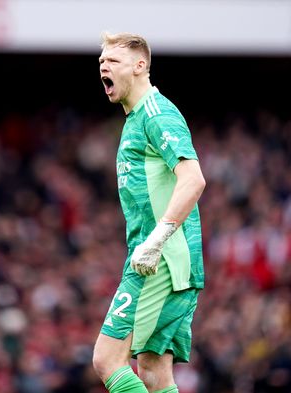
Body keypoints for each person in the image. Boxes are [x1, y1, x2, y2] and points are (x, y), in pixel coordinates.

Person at [93, 32, 206, 393]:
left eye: (112, 61)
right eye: (100, 62)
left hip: (160, 259)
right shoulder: (134, 120)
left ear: (140, 66)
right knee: (154, 371)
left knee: (107, 359)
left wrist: (156, 241)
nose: (103, 67)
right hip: (166, 259)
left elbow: (193, 179)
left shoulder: (157, 114)